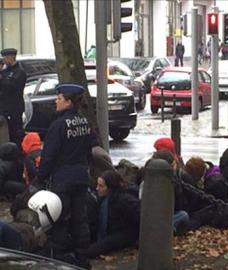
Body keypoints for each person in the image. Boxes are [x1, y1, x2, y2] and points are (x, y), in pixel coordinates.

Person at [34, 83, 93, 269]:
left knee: (59, 220)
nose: (55, 101)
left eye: (59, 98)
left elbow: (48, 156)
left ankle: (60, 261)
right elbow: (90, 150)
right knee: (80, 219)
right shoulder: (84, 121)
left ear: (68, 102)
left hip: (62, 179)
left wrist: (39, 179)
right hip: (81, 177)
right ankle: (83, 259)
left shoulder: (58, 125)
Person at [85, 170, 140, 258]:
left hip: (122, 234)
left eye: (101, 186)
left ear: (110, 188)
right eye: (97, 185)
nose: (97, 188)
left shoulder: (124, 200)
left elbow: (140, 214)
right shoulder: (103, 199)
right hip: (111, 232)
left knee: (94, 250)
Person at [0, 48, 27, 147]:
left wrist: (2, 79)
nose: (4, 61)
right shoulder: (5, 71)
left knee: (15, 134)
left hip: (14, 109)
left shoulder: (19, 72)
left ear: (11, 58)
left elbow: (12, 87)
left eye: (6, 58)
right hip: (3, 108)